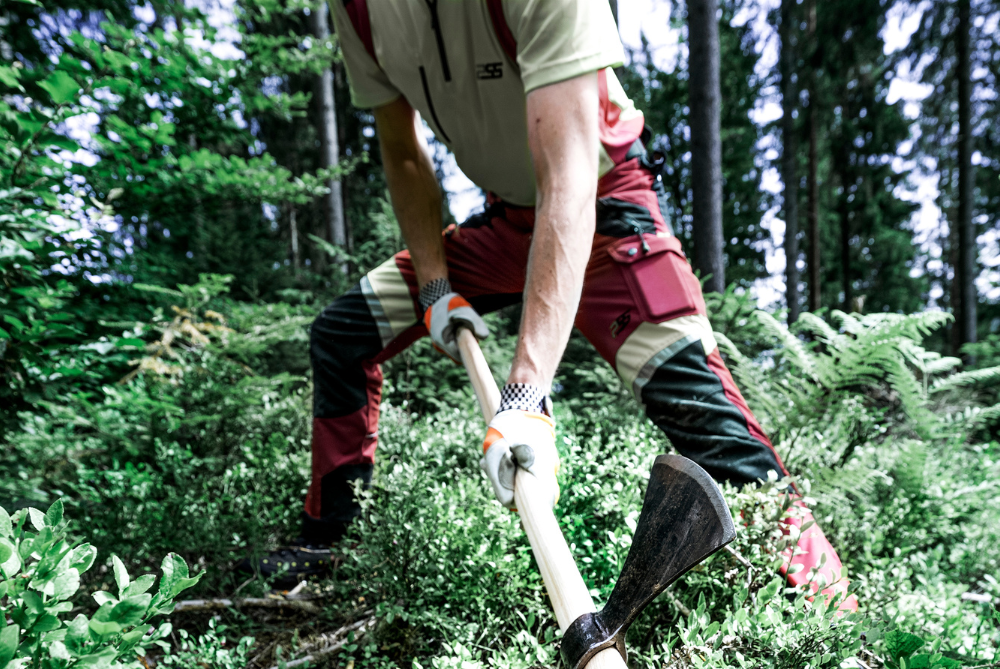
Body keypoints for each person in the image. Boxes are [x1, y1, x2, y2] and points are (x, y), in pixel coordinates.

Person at [255, 0, 854, 611]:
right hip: (504, 222)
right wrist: (435, 289)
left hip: (603, 207)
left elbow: (567, 176)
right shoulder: (360, 10)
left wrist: (525, 396)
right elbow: (402, 149)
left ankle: (832, 627)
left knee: (708, 417)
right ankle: (327, 542)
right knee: (342, 332)